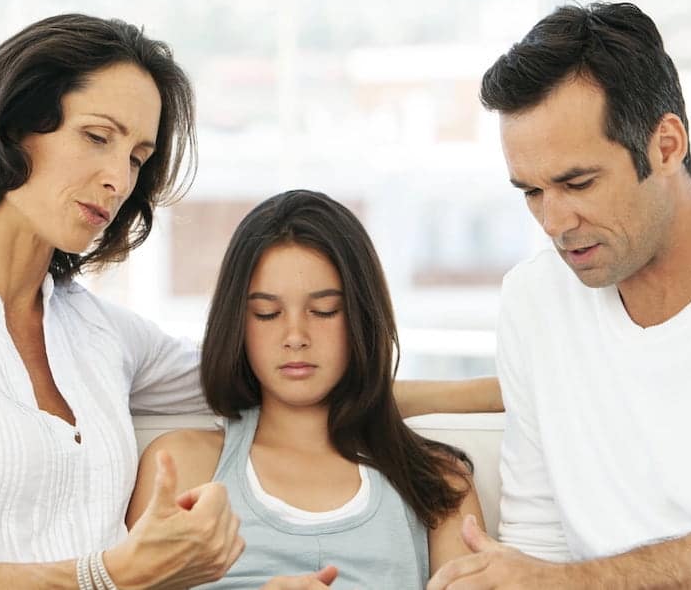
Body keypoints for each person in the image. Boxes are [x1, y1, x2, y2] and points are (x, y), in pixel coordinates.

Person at [0, 13, 500, 590]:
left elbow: (275, 378)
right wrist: (105, 575)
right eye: (96, 137)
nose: (119, 179)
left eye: (138, 156)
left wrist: (498, 392)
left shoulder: (95, 332)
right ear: (13, 127)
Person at [428, 1, 691, 590]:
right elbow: (537, 539)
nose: (553, 221)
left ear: (666, 146)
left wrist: (573, 582)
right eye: (531, 192)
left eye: (577, 183)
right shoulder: (534, 301)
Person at [127, 190, 485, 589]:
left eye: (324, 311)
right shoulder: (182, 466)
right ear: (238, 324)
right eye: (267, 313)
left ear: (361, 318)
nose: (295, 336)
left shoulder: (438, 482)